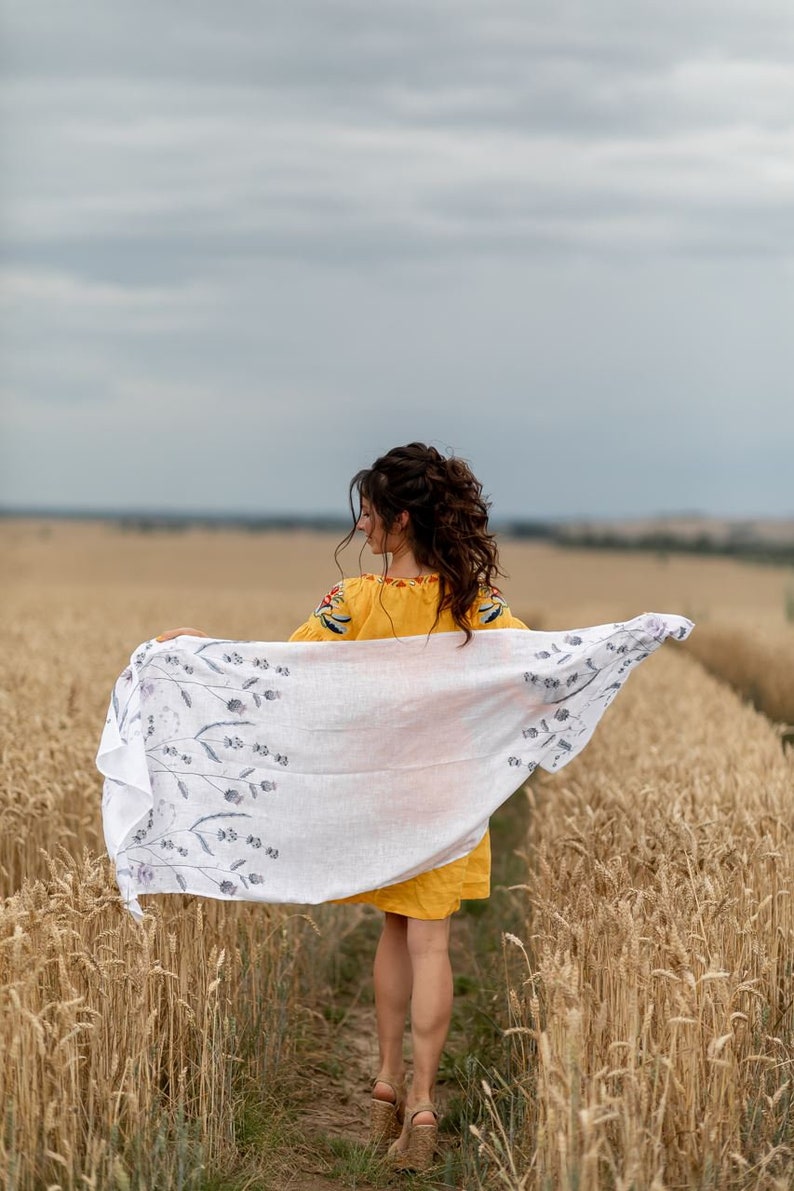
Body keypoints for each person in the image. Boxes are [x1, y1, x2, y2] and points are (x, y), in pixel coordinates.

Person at [157, 441, 528, 1172]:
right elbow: (533, 665)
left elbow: (283, 669)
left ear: (398, 519)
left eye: (369, 511)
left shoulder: (351, 601)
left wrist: (204, 651)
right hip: (449, 793)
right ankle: (422, 1102)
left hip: (383, 792)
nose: (361, 525)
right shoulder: (476, 603)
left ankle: (384, 1088)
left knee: (394, 931)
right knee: (431, 943)